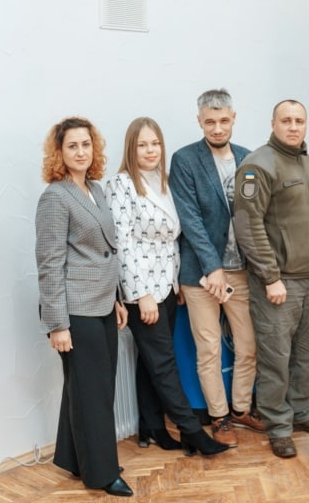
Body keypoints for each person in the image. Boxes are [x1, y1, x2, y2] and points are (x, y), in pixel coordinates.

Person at [104, 117, 230, 456]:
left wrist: (175, 284)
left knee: (149, 361)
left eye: (155, 143)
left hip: (168, 288)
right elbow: (122, 244)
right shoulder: (121, 184)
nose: (150, 150)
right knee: (164, 363)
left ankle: (153, 427)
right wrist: (140, 295)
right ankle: (192, 432)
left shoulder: (165, 182)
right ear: (131, 148)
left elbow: (174, 239)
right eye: (143, 144)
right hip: (141, 291)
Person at [233, 99, 309, 458]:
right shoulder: (257, 165)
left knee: (308, 356)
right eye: (286, 120)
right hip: (279, 284)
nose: (294, 126)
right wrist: (270, 276)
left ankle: (302, 412)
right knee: (276, 359)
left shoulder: (308, 163)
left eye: (299, 121)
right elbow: (248, 225)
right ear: (273, 123)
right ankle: (278, 425)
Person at [35, 117, 132, 497]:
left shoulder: (96, 189)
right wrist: (57, 324)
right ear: (59, 152)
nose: (81, 152)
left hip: (103, 304)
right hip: (75, 311)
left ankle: (75, 458)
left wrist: (117, 299)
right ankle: (102, 473)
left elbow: (109, 251)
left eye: (86, 145)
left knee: (90, 388)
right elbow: (49, 263)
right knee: (92, 392)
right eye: (73, 146)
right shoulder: (55, 197)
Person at [169, 88, 264, 447]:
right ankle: (219, 417)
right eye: (210, 122)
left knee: (248, 343)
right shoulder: (184, 159)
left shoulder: (248, 157)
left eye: (224, 120)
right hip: (200, 274)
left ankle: (241, 409)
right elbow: (189, 219)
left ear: (234, 118)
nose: (218, 128)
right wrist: (212, 268)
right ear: (200, 122)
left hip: (240, 270)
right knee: (209, 348)